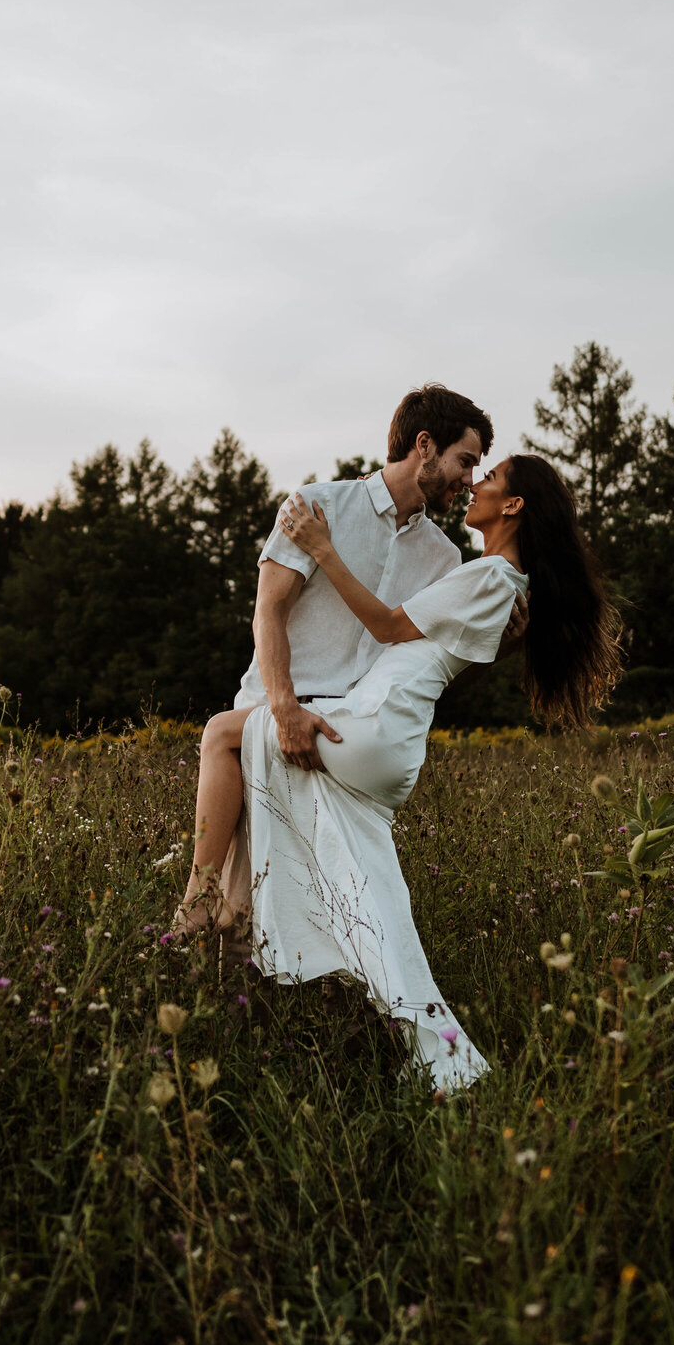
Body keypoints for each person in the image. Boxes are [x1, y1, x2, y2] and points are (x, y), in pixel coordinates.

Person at [185, 452, 623, 1092]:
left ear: (513, 506)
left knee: (223, 732)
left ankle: (196, 906)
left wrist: (322, 549)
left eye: (489, 476)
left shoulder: (493, 575)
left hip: (375, 725)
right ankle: (436, 1051)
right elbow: (439, 659)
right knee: (371, 896)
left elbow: (390, 628)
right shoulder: (500, 581)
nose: (475, 483)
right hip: (388, 737)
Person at [177, 384, 511, 935]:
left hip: (340, 743)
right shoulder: (316, 506)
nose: (469, 479)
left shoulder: (446, 559)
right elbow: (268, 613)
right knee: (226, 914)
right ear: (424, 445)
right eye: (465, 461)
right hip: (270, 718)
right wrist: (283, 710)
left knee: (309, 923)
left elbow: (439, 656)